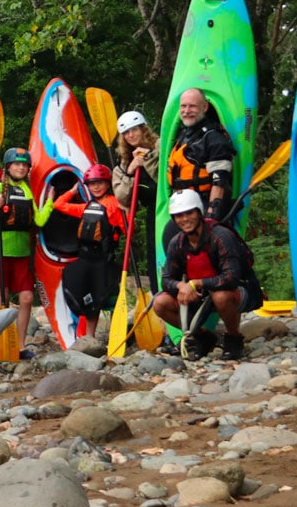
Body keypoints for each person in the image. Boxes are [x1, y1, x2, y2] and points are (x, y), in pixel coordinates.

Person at [150, 190, 262, 360]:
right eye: (179, 215)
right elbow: (166, 280)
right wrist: (181, 286)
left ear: (199, 212)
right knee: (159, 303)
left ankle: (234, 338)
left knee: (221, 296)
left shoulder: (220, 236)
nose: (185, 219)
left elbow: (231, 278)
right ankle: (202, 337)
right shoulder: (177, 242)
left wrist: (195, 283)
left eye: (189, 213)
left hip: (239, 290)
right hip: (202, 295)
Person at [0, 147, 52, 358]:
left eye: (24, 164)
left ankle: (20, 345)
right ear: (8, 167)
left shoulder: (28, 191)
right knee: (2, 297)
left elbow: (37, 221)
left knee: (27, 298)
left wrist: (49, 203)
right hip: (1, 251)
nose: (20, 167)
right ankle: (0, 343)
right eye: (16, 164)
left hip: (22, 254)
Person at [54, 164, 126, 338]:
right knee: (89, 301)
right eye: (92, 184)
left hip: (103, 260)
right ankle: (89, 338)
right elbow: (59, 204)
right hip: (85, 258)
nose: (96, 187)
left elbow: (127, 227)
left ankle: (116, 334)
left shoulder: (115, 205)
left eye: (100, 183)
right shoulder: (86, 207)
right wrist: (73, 190)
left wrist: (127, 211)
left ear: (107, 184)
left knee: (105, 297)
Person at [167, 88, 235, 225]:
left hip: (202, 209)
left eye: (192, 106)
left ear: (204, 107)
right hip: (182, 207)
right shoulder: (184, 135)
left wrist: (211, 215)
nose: (186, 111)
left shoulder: (214, 138)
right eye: (183, 106)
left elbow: (220, 182)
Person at [112, 110, 161, 286]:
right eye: (126, 133)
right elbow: (122, 198)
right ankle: (158, 293)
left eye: (134, 130)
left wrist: (146, 158)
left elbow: (165, 177)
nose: (130, 135)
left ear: (143, 129)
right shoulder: (124, 164)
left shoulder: (161, 147)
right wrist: (131, 171)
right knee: (154, 254)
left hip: (171, 208)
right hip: (152, 214)